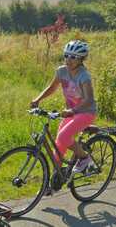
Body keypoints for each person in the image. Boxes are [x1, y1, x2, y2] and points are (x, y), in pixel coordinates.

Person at [30, 40, 97, 175]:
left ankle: (84, 158)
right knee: (59, 143)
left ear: (81, 59)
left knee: (63, 136)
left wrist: (73, 110)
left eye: (73, 57)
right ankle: (56, 177)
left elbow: (89, 99)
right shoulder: (61, 71)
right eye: (66, 55)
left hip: (86, 112)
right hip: (71, 113)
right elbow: (52, 87)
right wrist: (38, 99)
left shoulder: (84, 76)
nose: (68, 59)